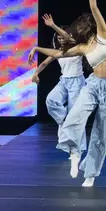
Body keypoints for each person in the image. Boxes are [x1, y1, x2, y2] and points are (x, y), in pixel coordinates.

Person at [51, 0, 106, 188]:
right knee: (73, 118)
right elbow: (58, 53)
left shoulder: (103, 35)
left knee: (102, 133)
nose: (80, 25)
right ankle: (74, 152)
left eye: (83, 23)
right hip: (93, 85)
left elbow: (93, 6)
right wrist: (36, 49)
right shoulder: (82, 47)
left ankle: (90, 173)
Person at [28, 15, 87, 152]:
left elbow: (68, 37)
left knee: (75, 113)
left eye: (63, 37)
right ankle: (66, 121)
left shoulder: (77, 47)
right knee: (51, 101)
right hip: (64, 81)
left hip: (77, 81)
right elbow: (44, 63)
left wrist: (53, 25)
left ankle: (79, 146)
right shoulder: (58, 52)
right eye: (58, 38)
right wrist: (35, 73)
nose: (61, 39)